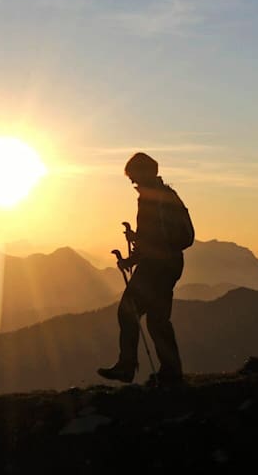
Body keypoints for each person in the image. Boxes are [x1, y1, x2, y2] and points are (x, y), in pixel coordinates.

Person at [97, 152, 190, 386]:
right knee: (158, 320)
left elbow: (155, 238)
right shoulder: (162, 196)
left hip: (158, 267)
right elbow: (156, 238)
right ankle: (171, 372)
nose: (132, 182)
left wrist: (137, 245)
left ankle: (128, 367)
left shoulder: (155, 199)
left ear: (145, 173)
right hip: (167, 264)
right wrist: (132, 256)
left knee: (128, 312)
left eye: (134, 177)